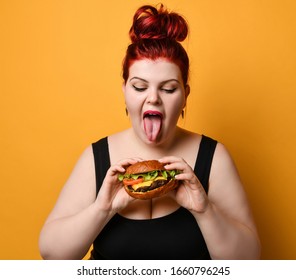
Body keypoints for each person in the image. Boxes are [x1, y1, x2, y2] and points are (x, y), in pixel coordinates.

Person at [39, 4, 261, 260]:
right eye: (139, 87)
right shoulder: (97, 156)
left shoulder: (214, 156)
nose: (153, 98)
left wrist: (204, 210)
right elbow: (52, 255)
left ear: (185, 96)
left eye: (168, 89)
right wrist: (103, 208)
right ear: (124, 91)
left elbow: (248, 263)